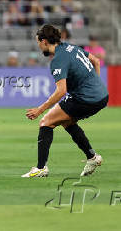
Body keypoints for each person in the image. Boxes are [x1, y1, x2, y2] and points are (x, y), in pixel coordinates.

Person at [22, 25, 108, 178]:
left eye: (39, 42)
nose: (38, 46)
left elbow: (61, 91)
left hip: (85, 98)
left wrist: (39, 109)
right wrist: (95, 83)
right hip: (101, 95)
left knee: (46, 121)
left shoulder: (58, 60)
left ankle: (41, 168)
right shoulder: (70, 47)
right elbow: (96, 61)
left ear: (45, 41)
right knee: (66, 121)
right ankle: (92, 157)